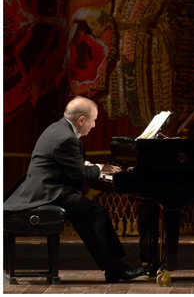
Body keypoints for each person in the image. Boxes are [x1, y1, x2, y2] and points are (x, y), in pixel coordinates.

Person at [4, 96, 147, 283]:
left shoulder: (57, 128)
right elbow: (80, 175)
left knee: (88, 213)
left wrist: (95, 166)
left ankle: (114, 267)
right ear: (81, 120)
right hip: (47, 192)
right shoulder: (66, 138)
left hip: (47, 187)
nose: (94, 125)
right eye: (93, 120)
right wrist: (97, 169)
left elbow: (68, 163)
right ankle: (115, 268)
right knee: (96, 213)